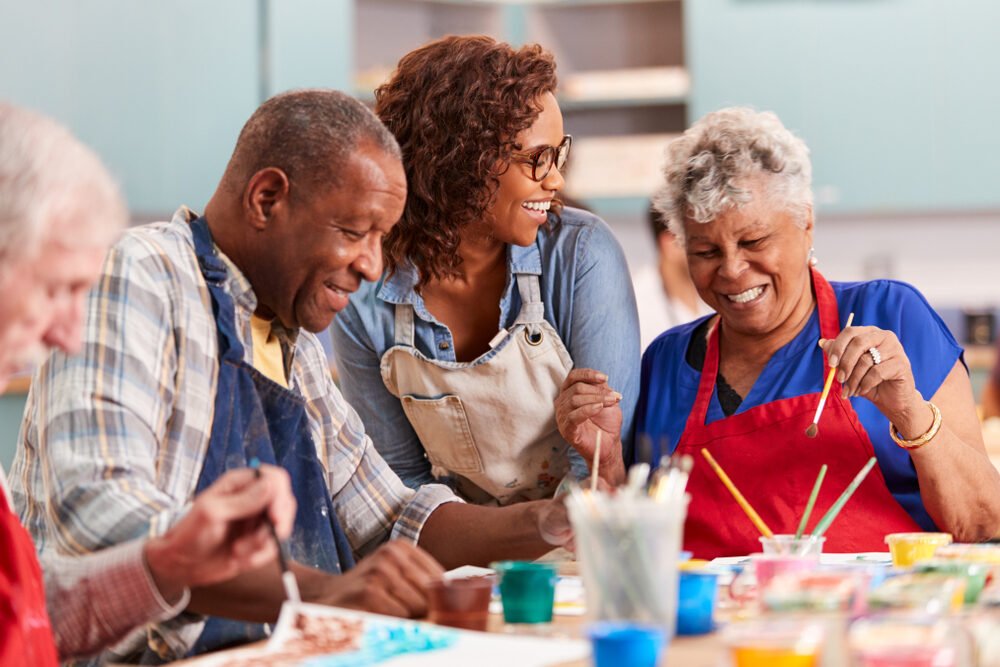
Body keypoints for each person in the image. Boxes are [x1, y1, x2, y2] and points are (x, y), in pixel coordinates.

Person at [11, 89, 572, 663]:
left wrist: (554, 520)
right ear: (267, 198)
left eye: (382, 238)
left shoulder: (292, 339)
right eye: (355, 232)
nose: (373, 265)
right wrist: (322, 595)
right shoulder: (141, 275)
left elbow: (389, 519)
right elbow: (98, 517)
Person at [631, 107, 1000, 558]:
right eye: (706, 250)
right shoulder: (665, 363)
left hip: (877, 620)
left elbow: (984, 523)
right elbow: (637, 539)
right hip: (716, 625)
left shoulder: (892, 316)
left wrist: (908, 412)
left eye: (753, 242)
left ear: (806, 222)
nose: (732, 270)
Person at [0, 103, 296, 665]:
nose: (69, 336)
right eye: (56, 289)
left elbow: (29, 617)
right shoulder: (143, 270)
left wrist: (169, 562)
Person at [332, 35, 640, 503]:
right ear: (460, 160)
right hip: (454, 558)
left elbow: (599, 473)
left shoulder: (581, 256)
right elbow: (398, 489)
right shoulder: (365, 291)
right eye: (537, 159)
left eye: (559, 154)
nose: (555, 180)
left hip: (578, 551)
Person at [632, 203, 711, 350]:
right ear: (670, 243)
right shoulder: (635, 309)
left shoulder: (712, 294)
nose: (711, 249)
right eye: (701, 239)